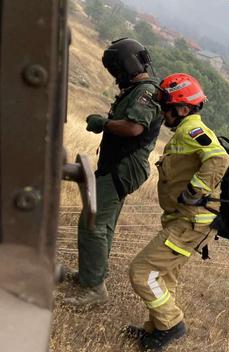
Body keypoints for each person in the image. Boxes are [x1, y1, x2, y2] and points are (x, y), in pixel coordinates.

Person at [125, 73, 229, 351]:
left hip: (191, 221)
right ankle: (156, 331)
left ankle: (171, 324)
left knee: (141, 271)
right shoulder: (185, 132)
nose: (162, 113)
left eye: (166, 107)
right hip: (183, 220)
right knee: (164, 277)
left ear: (182, 109)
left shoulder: (193, 131)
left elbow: (219, 157)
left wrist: (195, 190)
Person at [64, 38, 163, 307]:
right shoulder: (137, 89)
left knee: (92, 223)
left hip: (123, 166)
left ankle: (94, 290)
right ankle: (91, 275)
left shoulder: (145, 92)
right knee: (104, 223)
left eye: (115, 69)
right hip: (119, 164)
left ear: (124, 65)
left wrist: (103, 123)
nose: (114, 76)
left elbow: (134, 128)